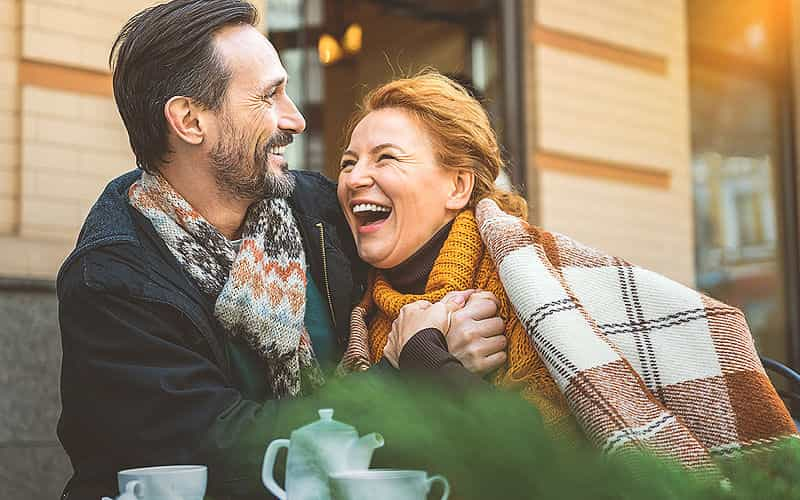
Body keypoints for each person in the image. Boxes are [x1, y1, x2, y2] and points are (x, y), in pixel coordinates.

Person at [56, 2, 505, 498]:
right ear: (189, 120)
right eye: (269, 96)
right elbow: (231, 451)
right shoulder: (112, 279)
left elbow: (428, 230)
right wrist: (407, 374)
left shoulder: (317, 210)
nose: (295, 119)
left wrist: (465, 308)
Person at [337, 71, 798, 470]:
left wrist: (424, 357)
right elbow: (332, 455)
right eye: (348, 162)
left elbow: (548, 469)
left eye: (386, 157)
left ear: (458, 186)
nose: (356, 177)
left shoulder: (530, 286)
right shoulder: (360, 313)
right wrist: (414, 362)